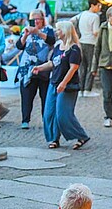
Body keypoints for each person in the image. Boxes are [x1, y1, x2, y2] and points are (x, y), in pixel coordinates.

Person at [33, 21, 90, 150]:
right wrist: (40, 68)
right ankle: (53, 138)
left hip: (68, 86)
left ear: (65, 31)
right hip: (54, 83)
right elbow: (53, 63)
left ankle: (80, 136)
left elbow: (73, 68)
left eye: (58, 30)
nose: (56, 32)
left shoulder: (74, 49)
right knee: (49, 113)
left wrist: (64, 83)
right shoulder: (58, 47)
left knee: (63, 114)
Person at [15, 9, 55, 129]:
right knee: (27, 95)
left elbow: (51, 40)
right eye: (33, 19)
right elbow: (19, 46)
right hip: (27, 67)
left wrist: (38, 32)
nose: (36, 22)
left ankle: (46, 119)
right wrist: (25, 35)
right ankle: (25, 119)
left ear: (43, 19)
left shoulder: (48, 30)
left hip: (43, 67)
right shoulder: (26, 30)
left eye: (38, 19)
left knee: (45, 95)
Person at [71, 0, 102, 97]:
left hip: (81, 42)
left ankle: (80, 89)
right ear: (92, 5)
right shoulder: (95, 17)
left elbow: (72, 20)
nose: (99, 8)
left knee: (82, 66)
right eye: (98, 5)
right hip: (91, 43)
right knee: (91, 66)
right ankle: (88, 89)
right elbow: (95, 32)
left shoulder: (82, 14)